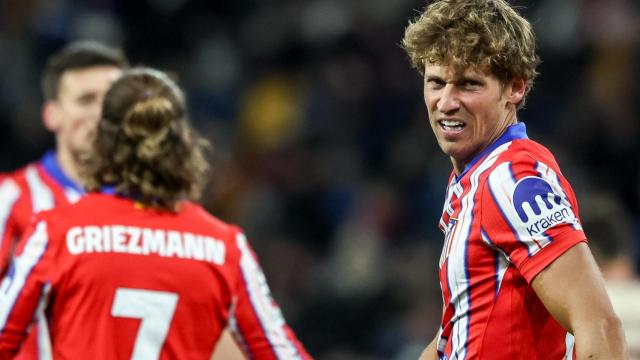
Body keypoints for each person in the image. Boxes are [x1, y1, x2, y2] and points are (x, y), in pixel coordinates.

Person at [0, 67, 312, 359]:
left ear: (103, 144)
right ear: (184, 144)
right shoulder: (225, 249)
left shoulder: (57, 233)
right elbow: (283, 353)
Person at [401, 0, 628, 359]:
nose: (445, 102)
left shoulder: (513, 176)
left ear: (515, 88)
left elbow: (600, 327)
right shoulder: (471, 178)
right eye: (436, 82)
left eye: (468, 84)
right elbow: (458, 331)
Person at [0, 40, 128, 359]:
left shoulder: (160, 209)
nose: (100, 115)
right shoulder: (9, 200)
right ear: (52, 115)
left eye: (112, 102)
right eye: (86, 100)